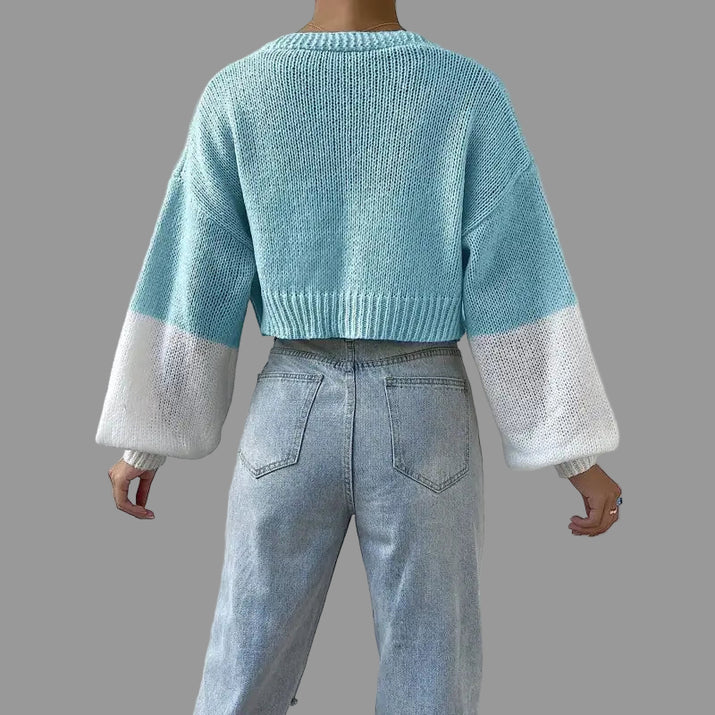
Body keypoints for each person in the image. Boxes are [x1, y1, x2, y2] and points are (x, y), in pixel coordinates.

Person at [96, 2, 623, 712]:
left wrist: (145, 443)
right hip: (424, 410)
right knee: (433, 674)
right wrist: (577, 457)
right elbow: (515, 276)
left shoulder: (238, 90)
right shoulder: (466, 90)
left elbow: (196, 271)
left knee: (243, 665)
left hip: (290, 407)